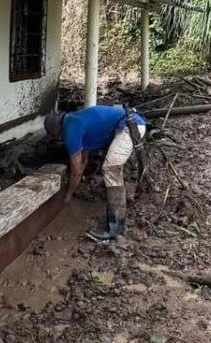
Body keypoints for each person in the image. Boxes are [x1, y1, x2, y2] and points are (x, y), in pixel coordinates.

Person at [44, 103, 147, 242]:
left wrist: (68, 194)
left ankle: (115, 230)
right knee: (113, 168)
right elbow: (83, 161)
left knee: (111, 168)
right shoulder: (74, 119)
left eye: (54, 136)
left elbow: (75, 171)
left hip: (129, 127)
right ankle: (116, 223)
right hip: (130, 123)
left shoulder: (70, 130)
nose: (56, 139)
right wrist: (78, 176)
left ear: (57, 130)